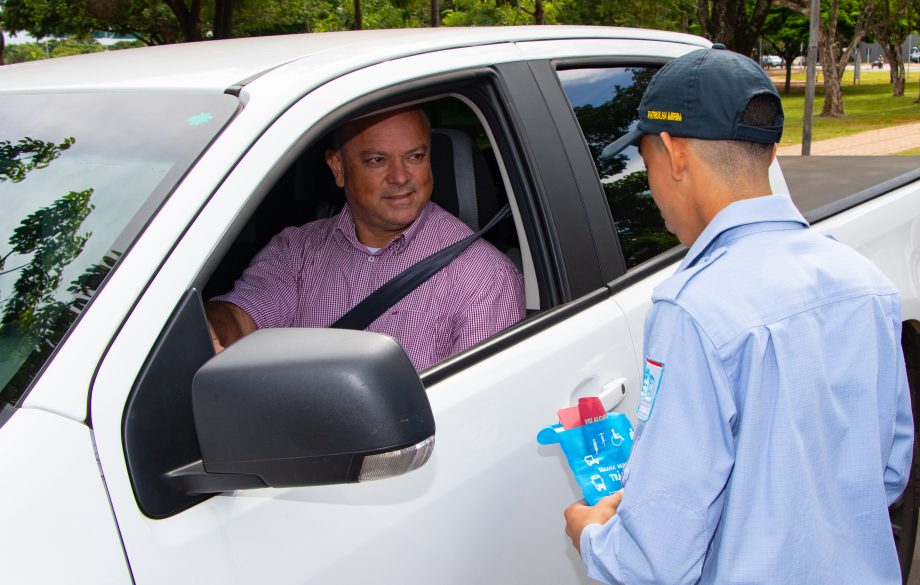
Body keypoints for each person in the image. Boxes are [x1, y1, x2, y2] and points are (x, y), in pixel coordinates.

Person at [563, 47, 913, 584]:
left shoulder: (694, 310)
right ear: (770, 153)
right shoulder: (866, 285)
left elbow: (658, 559)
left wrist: (590, 533)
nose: (651, 185)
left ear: (674, 152)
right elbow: (887, 472)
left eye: (647, 162)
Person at [206, 107, 525, 370]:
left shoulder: (484, 276)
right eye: (377, 160)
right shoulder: (296, 251)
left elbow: (477, 410)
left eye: (415, 157)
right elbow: (241, 316)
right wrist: (211, 328)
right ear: (338, 167)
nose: (401, 178)